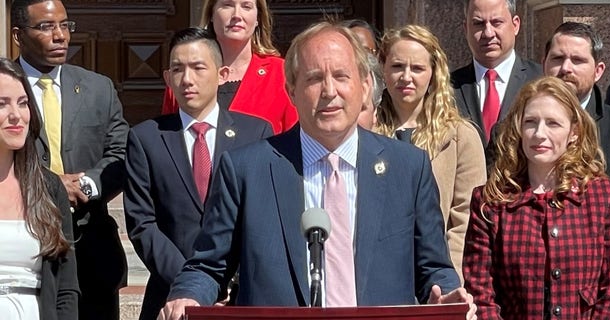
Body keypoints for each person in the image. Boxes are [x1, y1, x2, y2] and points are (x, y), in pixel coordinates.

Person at [158, 21, 476, 320]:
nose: (329, 91)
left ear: (365, 86)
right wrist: (188, 295)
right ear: (292, 90)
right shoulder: (246, 169)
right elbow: (208, 266)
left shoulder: (408, 168)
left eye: (341, 76)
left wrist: (447, 294)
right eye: (314, 78)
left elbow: (434, 269)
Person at [124, 27, 273, 320]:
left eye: (198, 67)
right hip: (169, 296)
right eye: (177, 70)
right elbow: (143, 224)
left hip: (240, 296)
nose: (187, 79)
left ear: (222, 74)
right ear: (167, 78)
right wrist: (192, 284)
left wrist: (227, 281)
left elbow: (263, 219)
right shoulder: (146, 138)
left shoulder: (256, 133)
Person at [463, 76, 610, 318]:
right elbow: (481, 292)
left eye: (553, 123)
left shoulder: (604, 196)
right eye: (531, 122)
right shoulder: (491, 202)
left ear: (574, 132)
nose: (539, 134)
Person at [11, 0, 130, 318]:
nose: (60, 35)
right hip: (25, 248)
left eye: (65, 25)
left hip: (91, 248)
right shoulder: (4, 87)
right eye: (47, 27)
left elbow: (120, 154)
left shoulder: (98, 89)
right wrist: (49, 186)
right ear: (18, 35)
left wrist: (88, 184)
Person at [374, 24, 486, 281]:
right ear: (383, 69)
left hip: (437, 278)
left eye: (417, 68)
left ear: (434, 73)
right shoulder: (365, 132)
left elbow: (466, 219)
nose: (406, 77)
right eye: (397, 66)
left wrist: (447, 279)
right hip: (379, 278)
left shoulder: (460, 136)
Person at [542, 21, 610, 244]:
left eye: (577, 60)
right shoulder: (513, 128)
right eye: (557, 58)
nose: (566, 68)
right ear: (543, 64)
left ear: (598, 71)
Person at [0, 57, 79, 319]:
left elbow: (66, 288)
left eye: (23, 103)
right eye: (2, 104)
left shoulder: (48, 186)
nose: (16, 115)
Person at [161, 0, 298, 134]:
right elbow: (170, 137)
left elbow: (296, 139)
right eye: (227, 5)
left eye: (246, 6)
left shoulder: (280, 72)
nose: (237, 15)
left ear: (258, 18)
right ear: (211, 15)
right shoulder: (185, 73)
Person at [451, 0, 541, 146]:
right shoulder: (448, 86)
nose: (488, 33)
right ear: (466, 28)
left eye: (496, 22)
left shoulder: (540, 80)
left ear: (516, 25)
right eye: (479, 24)